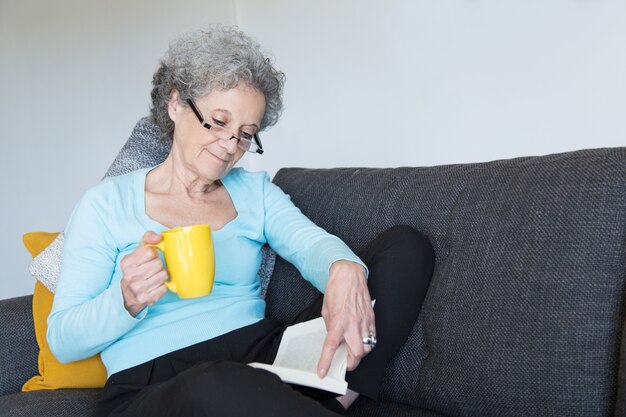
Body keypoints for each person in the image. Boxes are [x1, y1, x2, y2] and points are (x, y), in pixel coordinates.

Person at [47, 26, 435, 416]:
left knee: (405, 249)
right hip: (152, 384)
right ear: (176, 103)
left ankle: (333, 398)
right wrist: (125, 301)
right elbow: (63, 340)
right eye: (218, 122)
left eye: (245, 134)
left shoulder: (254, 192)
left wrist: (343, 268)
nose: (230, 146)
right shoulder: (106, 204)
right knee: (218, 382)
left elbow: (309, 244)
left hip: (263, 361)